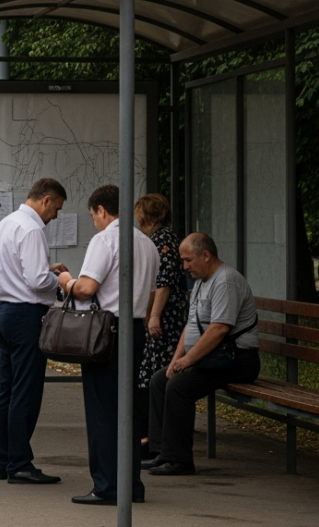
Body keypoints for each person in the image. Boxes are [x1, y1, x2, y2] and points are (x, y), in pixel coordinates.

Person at [56, 185, 157, 506]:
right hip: (136, 328)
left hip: (107, 330)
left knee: (102, 411)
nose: (95, 223)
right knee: (126, 409)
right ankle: (131, 485)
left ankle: (107, 486)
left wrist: (66, 281)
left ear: (101, 210)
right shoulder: (146, 242)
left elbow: (86, 288)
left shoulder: (106, 240)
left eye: (94, 217)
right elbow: (152, 294)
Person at [144, 232, 260, 476]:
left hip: (236, 360)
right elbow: (191, 325)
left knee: (178, 386)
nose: (185, 267)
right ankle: (160, 451)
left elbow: (219, 330)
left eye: (188, 260)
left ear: (205, 256)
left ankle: (180, 460)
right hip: (212, 359)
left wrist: (188, 361)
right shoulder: (201, 282)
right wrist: (176, 360)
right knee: (160, 379)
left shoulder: (226, 281)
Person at [0, 177, 68, 485]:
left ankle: (3, 460)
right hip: (27, 315)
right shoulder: (32, 228)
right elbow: (36, 280)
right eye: (57, 208)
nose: (56, 216)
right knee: (26, 390)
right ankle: (20, 463)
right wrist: (59, 280)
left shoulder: (6, 224)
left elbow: (18, 272)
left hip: (4, 311)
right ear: (46, 200)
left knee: (6, 389)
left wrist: (45, 273)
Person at [134, 193, 189, 455]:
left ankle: (151, 438)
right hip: (161, 314)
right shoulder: (156, 239)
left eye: (141, 215)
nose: (138, 221)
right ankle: (150, 435)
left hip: (166, 318)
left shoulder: (163, 239)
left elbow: (164, 281)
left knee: (154, 373)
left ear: (151, 216)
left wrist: (153, 315)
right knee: (149, 374)